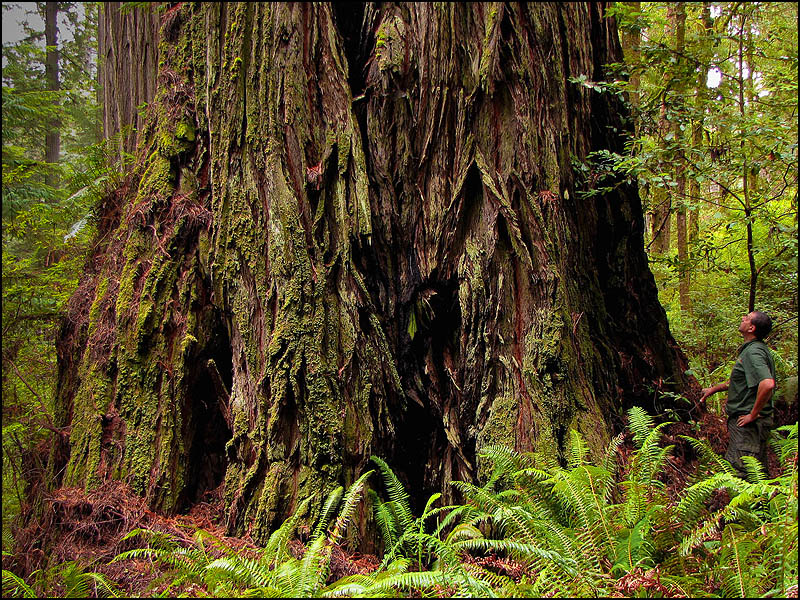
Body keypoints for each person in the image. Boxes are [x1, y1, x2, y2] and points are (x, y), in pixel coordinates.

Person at [699, 311, 776, 479]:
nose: (742, 318)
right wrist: (714, 389)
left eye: (747, 318)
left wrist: (753, 414)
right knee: (757, 474)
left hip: (748, 425)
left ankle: (735, 506)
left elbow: (767, 383)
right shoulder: (755, 350)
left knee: (739, 472)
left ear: (751, 328)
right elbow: (744, 381)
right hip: (753, 424)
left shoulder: (753, 353)